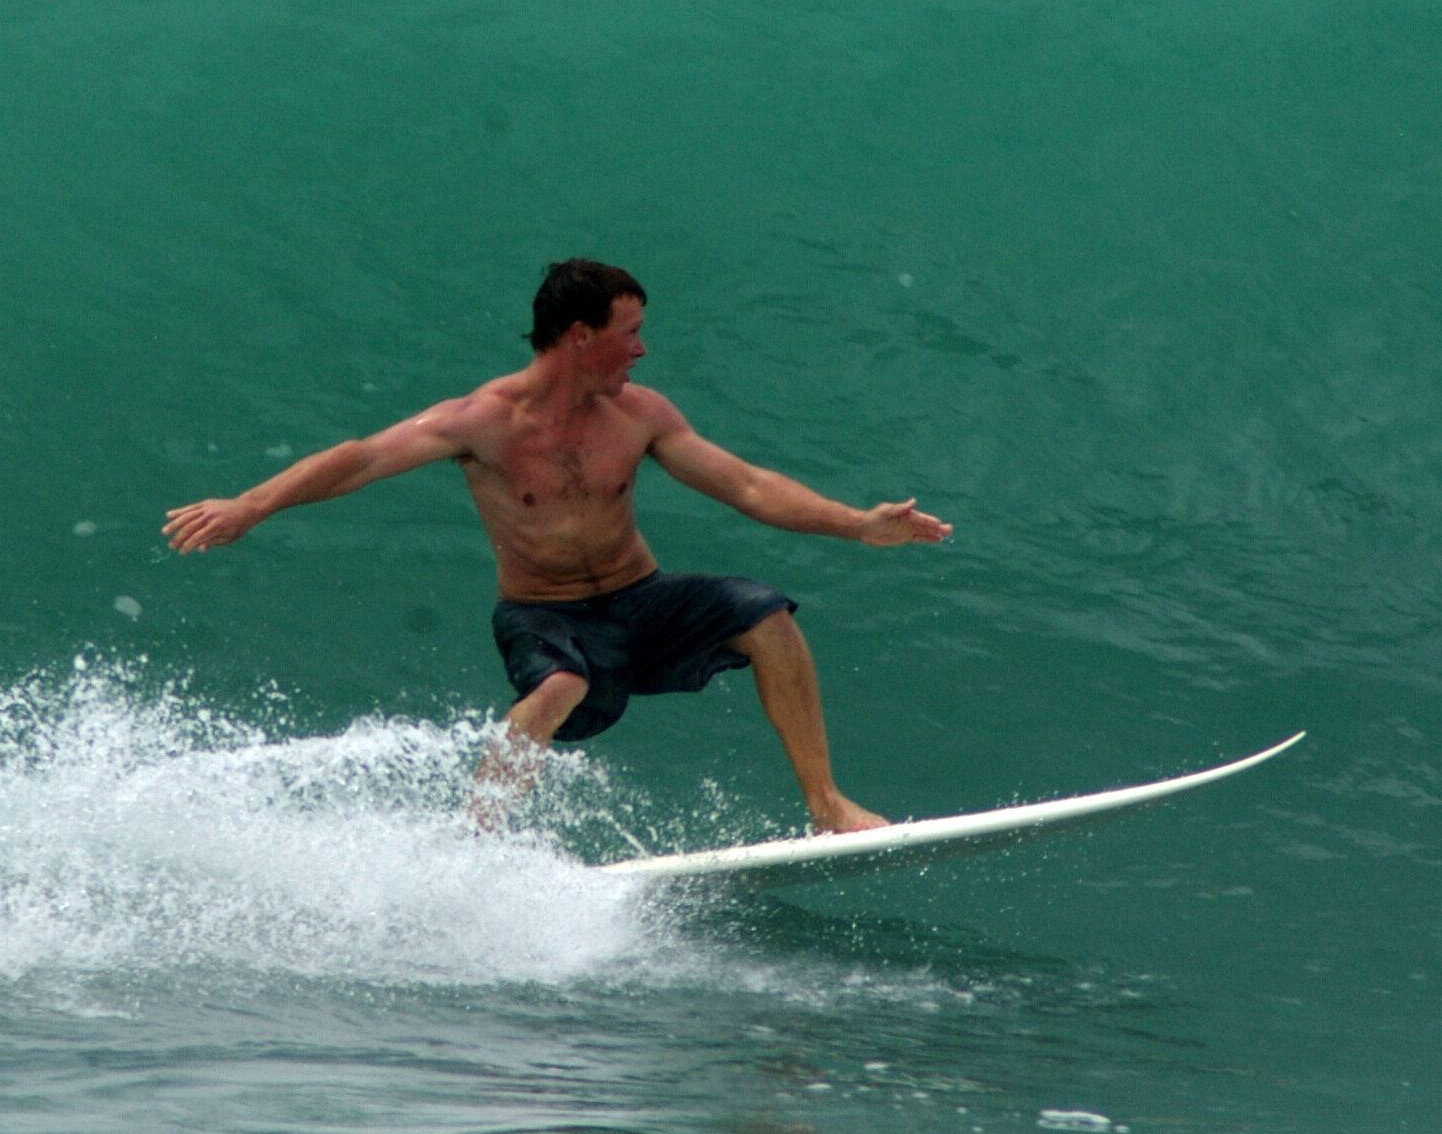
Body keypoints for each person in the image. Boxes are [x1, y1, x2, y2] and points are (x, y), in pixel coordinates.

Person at [162, 259, 950, 831]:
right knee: (558, 685)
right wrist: (251, 505)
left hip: (641, 600)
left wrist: (856, 523)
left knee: (767, 616)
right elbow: (360, 458)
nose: (641, 349)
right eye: (629, 333)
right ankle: (475, 847)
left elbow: (746, 485)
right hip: (546, 616)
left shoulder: (639, 414)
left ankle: (826, 804)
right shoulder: (484, 421)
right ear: (579, 336)